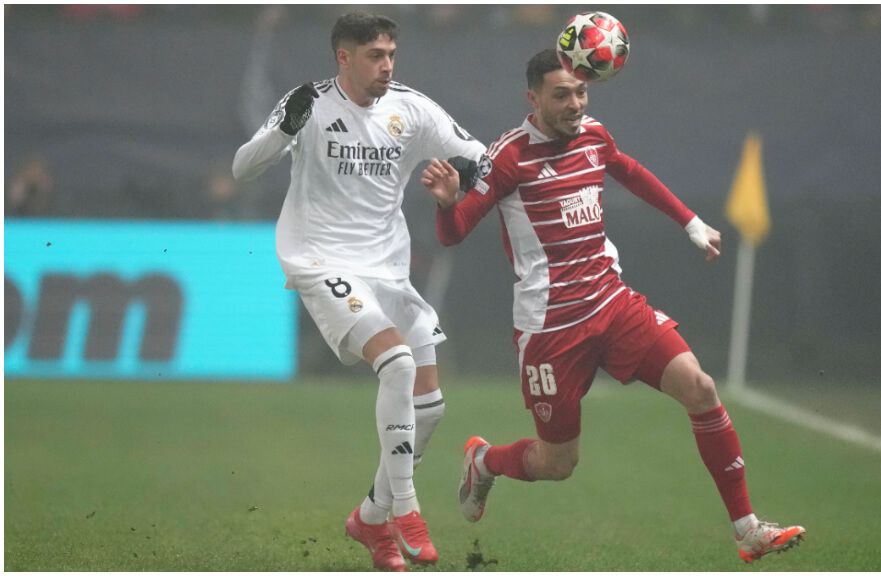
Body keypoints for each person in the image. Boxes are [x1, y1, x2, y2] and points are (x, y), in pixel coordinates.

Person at [422, 48, 805, 564]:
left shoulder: (594, 135)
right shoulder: (509, 157)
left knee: (700, 387)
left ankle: (748, 529)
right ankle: (484, 461)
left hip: (612, 302)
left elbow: (629, 170)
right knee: (558, 462)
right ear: (531, 98)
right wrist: (448, 203)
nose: (575, 103)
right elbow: (455, 233)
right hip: (550, 328)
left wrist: (689, 222)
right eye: (561, 95)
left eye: (581, 92)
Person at [233, 12, 485, 571]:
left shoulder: (411, 108)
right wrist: (282, 131)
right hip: (321, 260)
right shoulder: (309, 103)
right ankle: (406, 511)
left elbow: (481, 160)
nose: (387, 65)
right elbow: (243, 166)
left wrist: (459, 189)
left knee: (432, 408)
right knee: (395, 363)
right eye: (375, 55)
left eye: (392, 53)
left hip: (388, 271)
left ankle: (370, 519)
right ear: (342, 57)